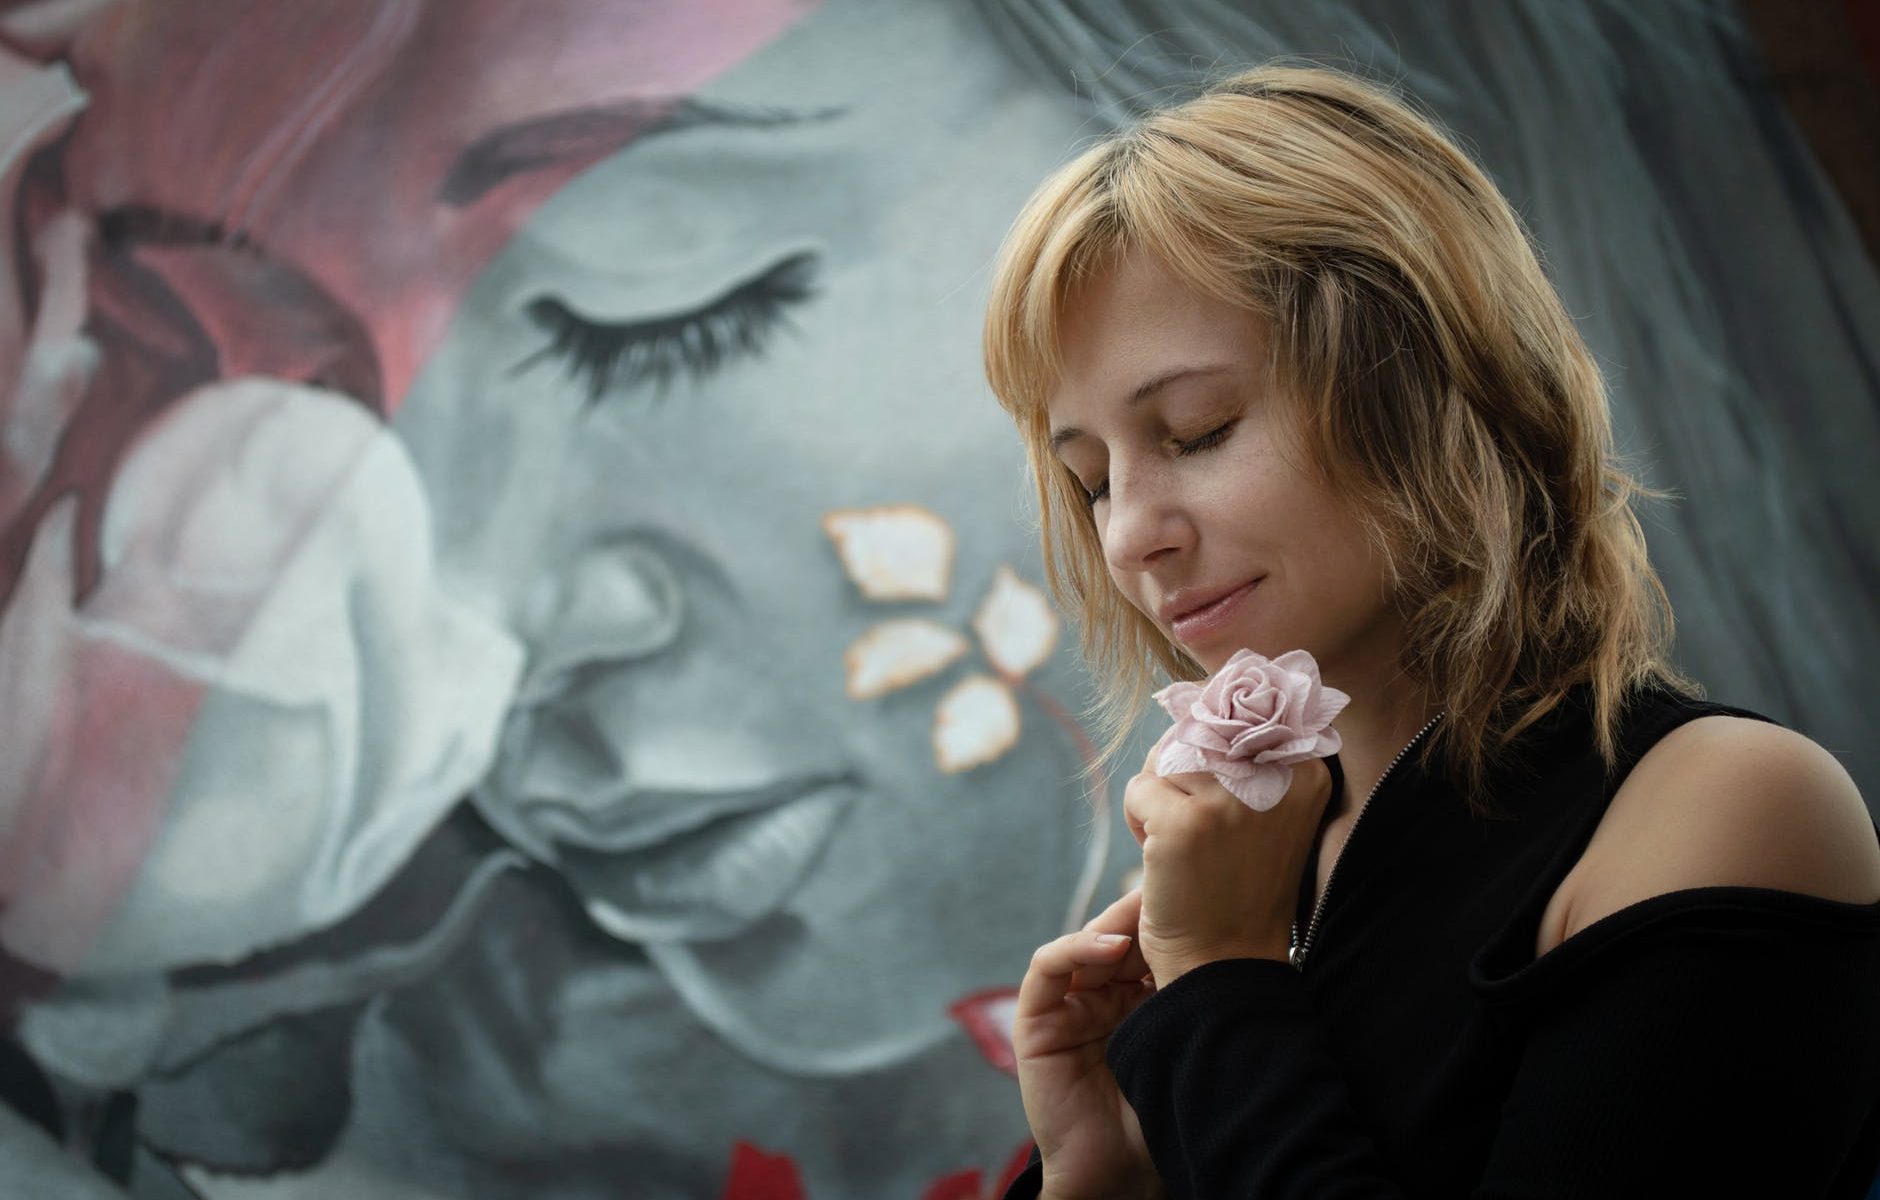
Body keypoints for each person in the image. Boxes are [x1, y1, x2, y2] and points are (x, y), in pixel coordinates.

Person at [981, 64, 1880, 1198]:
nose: (1129, 539)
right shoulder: (1254, 868)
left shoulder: (1720, 806)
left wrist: (1216, 984)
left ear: (1423, 381)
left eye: (1196, 429)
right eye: (1091, 479)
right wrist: (1096, 1174)